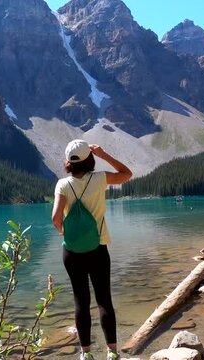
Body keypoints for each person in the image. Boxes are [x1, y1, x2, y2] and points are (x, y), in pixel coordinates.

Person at [51, 139, 132, 360]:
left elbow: (56, 218)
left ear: (68, 162)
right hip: (98, 247)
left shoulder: (62, 185)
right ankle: (112, 351)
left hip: (72, 251)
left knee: (81, 301)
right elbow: (127, 173)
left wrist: (63, 232)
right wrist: (104, 154)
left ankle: (86, 353)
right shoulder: (100, 179)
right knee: (104, 299)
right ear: (89, 159)